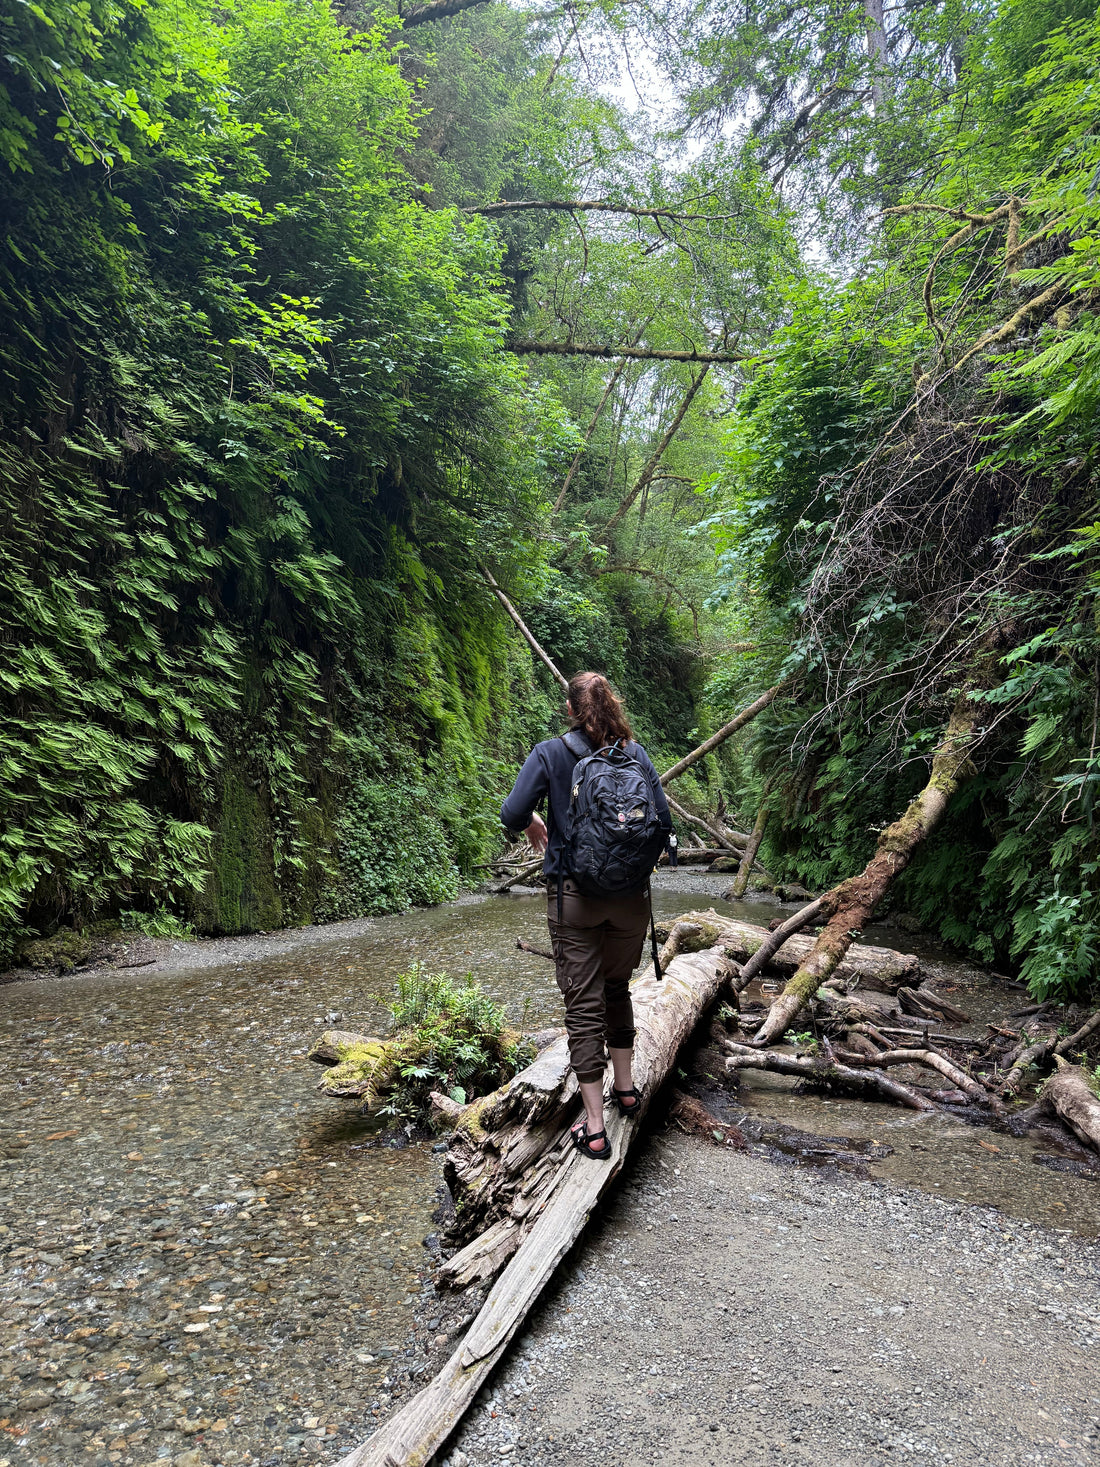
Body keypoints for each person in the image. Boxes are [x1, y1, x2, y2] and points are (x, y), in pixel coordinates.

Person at [500, 671, 672, 1161]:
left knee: (582, 1006)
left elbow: (511, 814)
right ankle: (626, 1090)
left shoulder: (550, 753)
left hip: (573, 897)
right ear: (611, 705)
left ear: (571, 710)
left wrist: (536, 820)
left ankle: (595, 1128)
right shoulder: (634, 755)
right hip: (631, 901)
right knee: (616, 989)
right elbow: (662, 823)